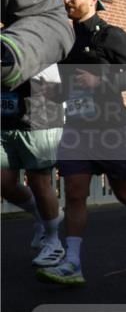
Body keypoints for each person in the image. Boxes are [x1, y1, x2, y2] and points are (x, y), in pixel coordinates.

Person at [36, 0, 126, 286]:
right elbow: (68, 86)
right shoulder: (66, 40)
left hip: (110, 126)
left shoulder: (111, 36)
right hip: (78, 128)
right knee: (76, 195)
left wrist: (102, 81)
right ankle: (73, 262)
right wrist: (52, 94)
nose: (66, 0)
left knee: (124, 191)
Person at [2, 63, 65, 266]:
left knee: (39, 183)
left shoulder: (39, 37)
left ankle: (53, 241)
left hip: (37, 118)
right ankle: (41, 213)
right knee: (3, 183)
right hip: (5, 120)